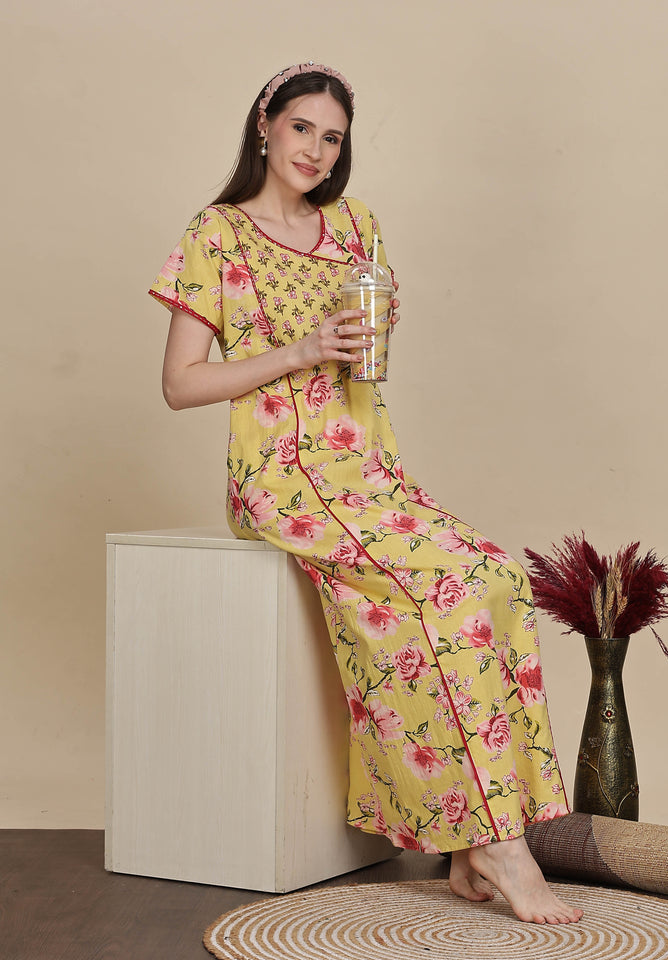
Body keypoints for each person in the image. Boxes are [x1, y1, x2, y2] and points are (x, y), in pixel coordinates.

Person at [149, 62, 583, 925]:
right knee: (443, 589)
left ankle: (471, 840)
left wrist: (375, 329)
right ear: (265, 121)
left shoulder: (356, 226)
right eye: (301, 127)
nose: (315, 150)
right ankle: (499, 845)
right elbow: (179, 384)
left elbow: (367, 355)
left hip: (368, 472)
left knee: (494, 575)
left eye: (333, 137)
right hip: (282, 479)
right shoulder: (217, 234)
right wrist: (303, 350)